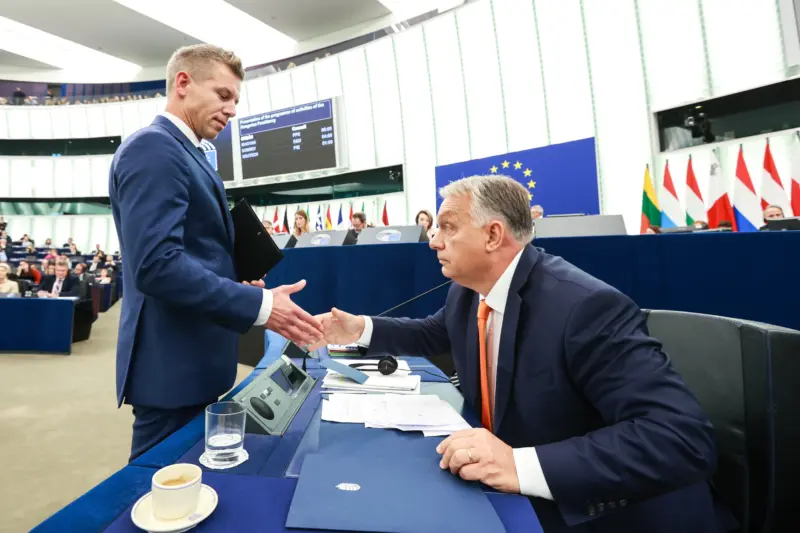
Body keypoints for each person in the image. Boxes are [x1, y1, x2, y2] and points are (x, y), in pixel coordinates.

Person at [312, 175, 722, 533]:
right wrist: (360, 328)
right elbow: (434, 332)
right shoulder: (469, 292)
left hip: (601, 514)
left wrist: (517, 464)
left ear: (493, 235)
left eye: (448, 227)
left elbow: (681, 439)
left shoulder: (585, 308)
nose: (434, 240)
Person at [109, 44, 323, 461]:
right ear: (183, 84)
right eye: (224, 95)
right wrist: (260, 305)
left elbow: (190, 252)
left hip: (196, 361)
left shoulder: (188, 152)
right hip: (172, 368)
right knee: (157, 492)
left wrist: (232, 279)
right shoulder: (155, 148)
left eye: (236, 100)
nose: (232, 110)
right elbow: (156, 266)